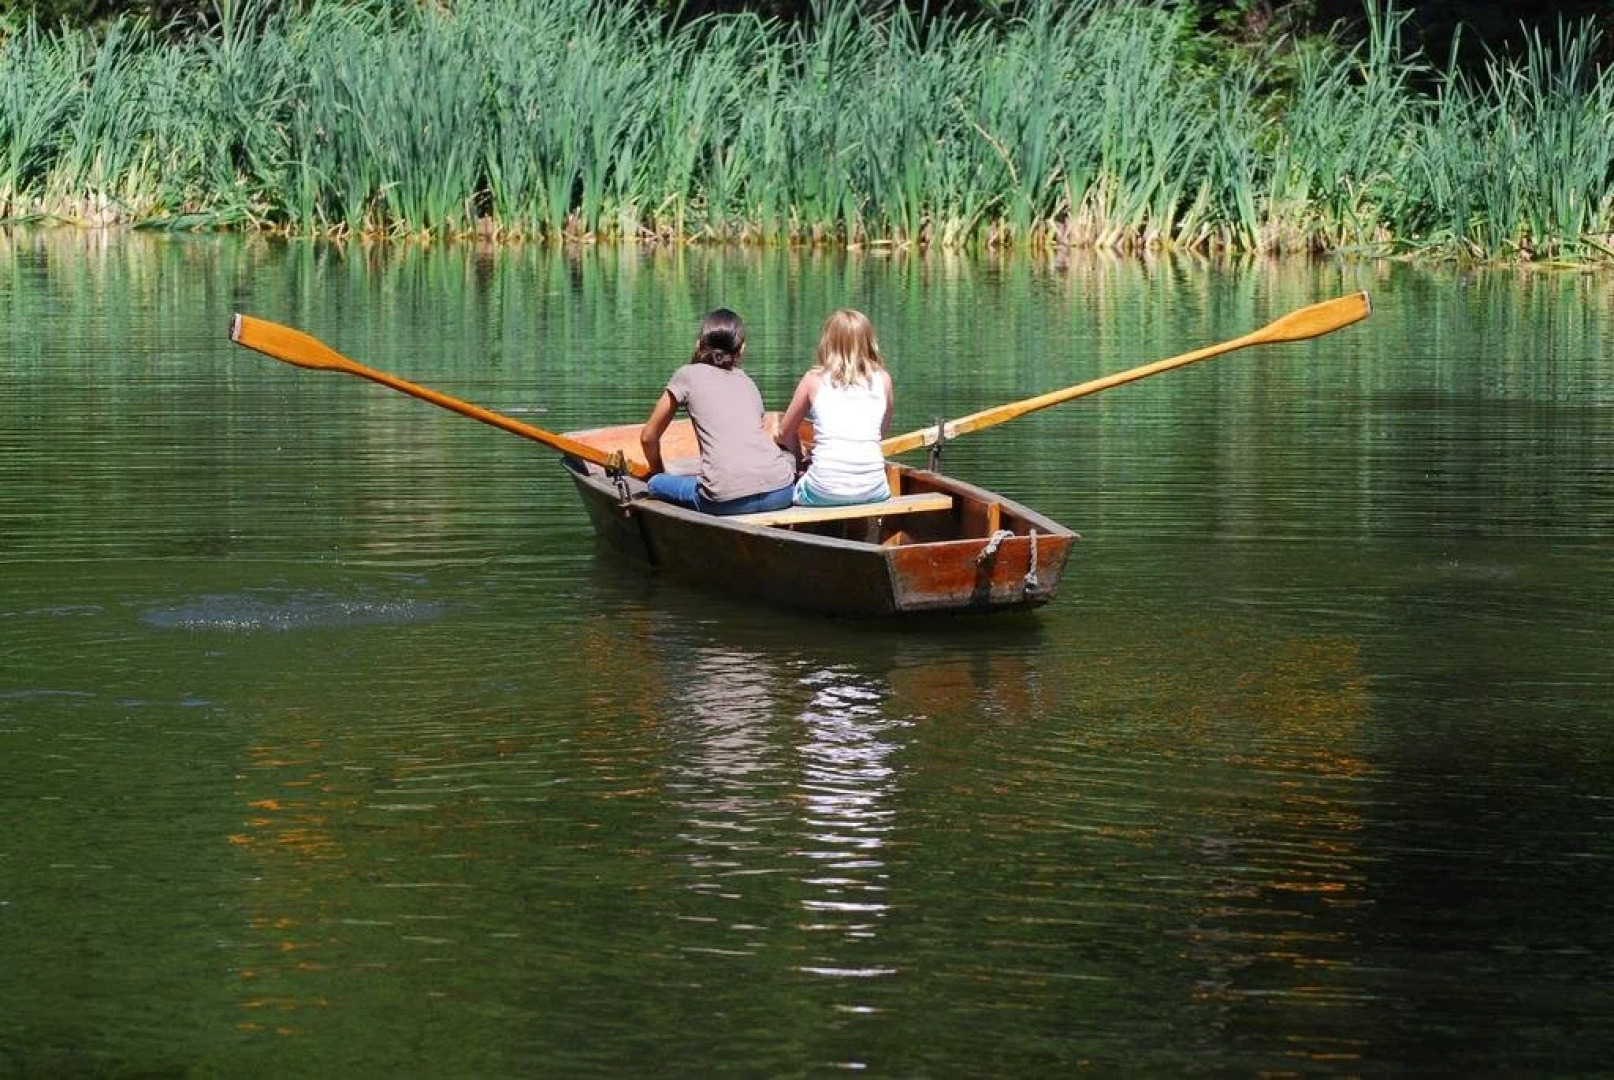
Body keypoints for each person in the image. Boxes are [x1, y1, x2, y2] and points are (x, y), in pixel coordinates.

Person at [640, 308, 797, 515]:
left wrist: (657, 471)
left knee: (655, 484)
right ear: (741, 349)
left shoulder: (686, 375)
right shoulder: (748, 382)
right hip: (782, 491)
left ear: (699, 344)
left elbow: (648, 437)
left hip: (725, 500)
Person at [776, 308, 894, 506]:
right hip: (875, 488)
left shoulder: (813, 379)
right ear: (868, 342)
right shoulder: (884, 380)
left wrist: (802, 457)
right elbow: (879, 433)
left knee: (788, 484)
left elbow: (784, 433)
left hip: (822, 489)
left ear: (828, 342)